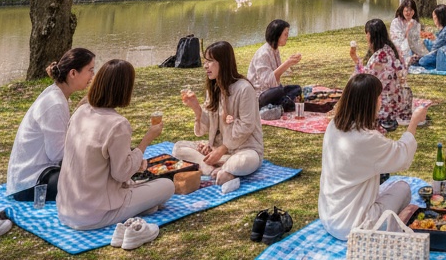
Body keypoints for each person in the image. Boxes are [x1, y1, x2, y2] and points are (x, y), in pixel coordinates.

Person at [56, 59, 173, 230]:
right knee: (167, 186)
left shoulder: (81, 112)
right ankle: (142, 206)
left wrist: (133, 161)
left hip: (66, 209)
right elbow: (122, 174)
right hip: (95, 214)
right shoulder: (118, 124)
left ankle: (145, 206)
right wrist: (147, 139)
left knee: (146, 191)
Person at [318, 73, 429, 239]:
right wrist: (414, 121)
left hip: (329, 214)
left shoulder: (334, 125)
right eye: (379, 97)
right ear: (370, 102)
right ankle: (392, 226)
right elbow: (402, 155)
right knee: (403, 188)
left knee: (387, 187)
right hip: (353, 225)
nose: (381, 101)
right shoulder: (366, 139)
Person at [7, 47, 96, 201]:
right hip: (31, 184)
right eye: (90, 70)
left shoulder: (57, 95)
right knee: (94, 177)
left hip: (39, 175)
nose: (92, 76)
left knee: (95, 169)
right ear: (73, 73)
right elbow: (58, 154)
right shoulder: (54, 103)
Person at [175, 40, 263, 189]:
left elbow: (246, 126)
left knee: (245, 161)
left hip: (244, 149)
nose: (205, 66)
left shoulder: (244, 89)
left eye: (210, 61)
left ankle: (221, 167)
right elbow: (208, 127)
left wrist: (222, 149)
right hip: (219, 149)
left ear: (223, 63)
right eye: (205, 61)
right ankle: (216, 169)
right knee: (178, 148)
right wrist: (196, 108)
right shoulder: (213, 88)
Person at [350, 19, 411, 126]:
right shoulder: (391, 49)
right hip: (399, 99)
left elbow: (367, 81)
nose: (366, 37)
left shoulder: (378, 58)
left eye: (367, 34)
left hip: (385, 104)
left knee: (353, 91)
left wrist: (356, 59)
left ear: (370, 35)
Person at [247, 19, 303, 110]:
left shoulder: (274, 50)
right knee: (280, 90)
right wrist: (287, 63)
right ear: (277, 35)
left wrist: (290, 63)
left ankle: (285, 101)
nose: (287, 37)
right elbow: (268, 82)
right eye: (285, 34)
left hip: (273, 91)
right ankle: (285, 102)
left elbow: (276, 78)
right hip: (260, 96)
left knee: (296, 88)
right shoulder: (263, 54)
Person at [416, 4, 446, 71]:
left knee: (422, 61)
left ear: (439, 18)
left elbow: (434, 47)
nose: (433, 19)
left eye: (434, 17)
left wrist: (425, 42)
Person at [390, 0, 425, 64]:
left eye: (411, 10)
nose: (409, 13)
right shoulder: (396, 22)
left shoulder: (415, 22)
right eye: (406, 11)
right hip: (400, 48)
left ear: (414, 11)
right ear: (402, 11)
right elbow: (399, 40)